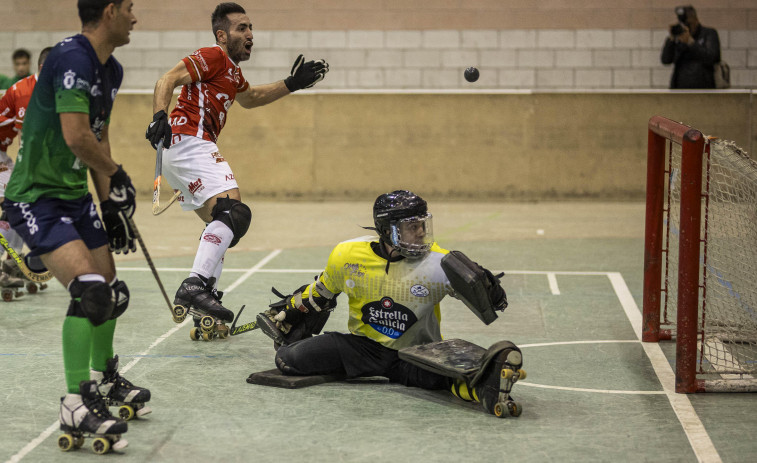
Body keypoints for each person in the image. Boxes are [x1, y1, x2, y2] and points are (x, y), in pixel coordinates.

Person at [2, 0, 150, 452]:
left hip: (74, 196)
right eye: (129, 7)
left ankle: (105, 379)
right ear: (108, 12)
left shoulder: (113, 70)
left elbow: (99, 133)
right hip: (35, 198)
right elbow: (76, 136)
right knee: (89, 288)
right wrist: (120, 175)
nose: (134, 16)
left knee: (111, 290)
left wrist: (109, 205)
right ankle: (75, 400)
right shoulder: (70, 58)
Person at [145, 2, 329, 335]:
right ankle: (196, 285)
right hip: (189, 140)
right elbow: (167, 79)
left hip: (185, 149)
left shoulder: (231, 71)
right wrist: (159, 115)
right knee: (234, 214)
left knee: (222, 226)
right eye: (241, 28)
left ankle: (208, 308)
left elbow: (252, 97)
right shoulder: (213, 56)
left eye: (251, 28)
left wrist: (291, 83)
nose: (250, 35)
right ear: (221, 34)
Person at [255, 190, 525, 416]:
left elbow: (489, 304)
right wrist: (289, 313)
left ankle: (486, 388)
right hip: (362, 348)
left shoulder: (439, 263)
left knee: (447, 378)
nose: (420, 233)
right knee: (288, 358)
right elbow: (320, 292)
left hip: (416, 352)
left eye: (422, 225)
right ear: (387, 231)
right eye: (412, 227)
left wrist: (490, 291)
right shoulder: (347, 255)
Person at [0, 47, 53, 292]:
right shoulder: (25, 91)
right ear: (44, 68)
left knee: (22, 207)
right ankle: (8, 265)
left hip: (3, 153)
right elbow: (26, 146)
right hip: (5, 155)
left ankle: (12, 263)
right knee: (14, 203)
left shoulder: (51, 88)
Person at [660, 5, 721, 89]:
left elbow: (712, 57)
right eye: (683, 25)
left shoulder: (709, 33)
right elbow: (666, 60)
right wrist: (671, 40)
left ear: (695, 20)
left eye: (688, 24)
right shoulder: (679, 36)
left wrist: (690, 42)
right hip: (679, 88)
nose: (687, 28)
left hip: (704, 88)